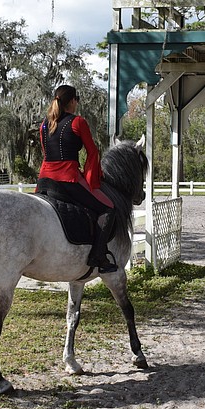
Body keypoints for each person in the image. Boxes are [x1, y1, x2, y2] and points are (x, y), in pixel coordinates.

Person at [36, 84, 118, 273]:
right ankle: (98, 255)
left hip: (44, 180)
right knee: (108, 209)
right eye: (76, 101)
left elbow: (45, 153)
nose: (76, 104)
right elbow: (93, 152)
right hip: (67, 180)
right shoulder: (78, 122)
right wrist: (92, 179)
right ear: (72, 101)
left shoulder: (44, 124)